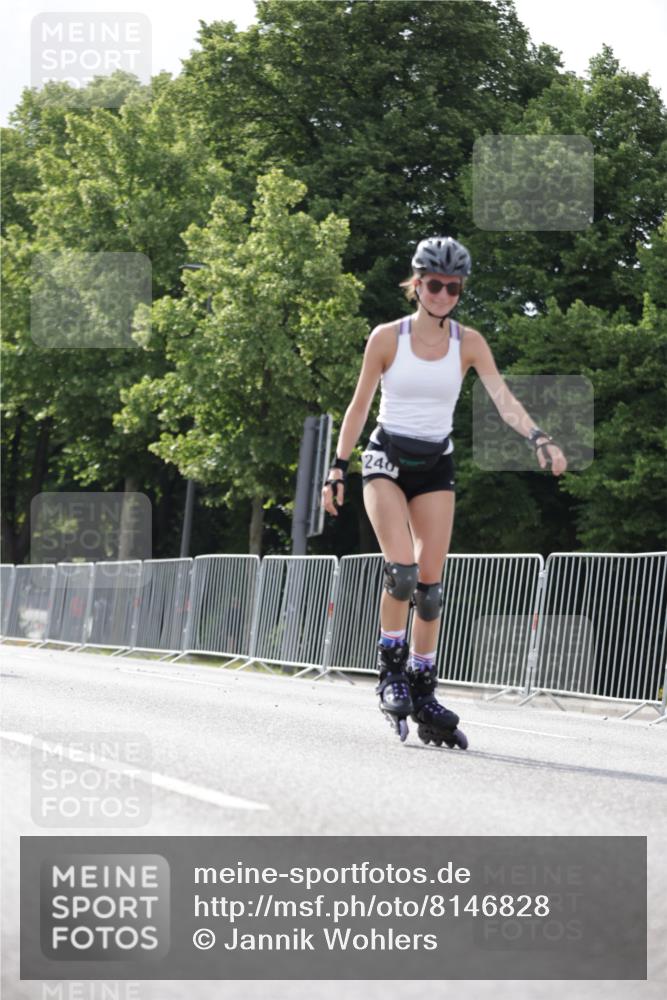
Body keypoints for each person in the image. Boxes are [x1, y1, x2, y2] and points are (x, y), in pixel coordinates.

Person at [321, 236, 567, 748]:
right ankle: (389, 671)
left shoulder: (468, 342)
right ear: (417, 284)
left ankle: (423, 686)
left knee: (430, 590)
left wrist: (538, 438)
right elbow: (359, 406)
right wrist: (338, 468)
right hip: (386, 457)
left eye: (453, 287)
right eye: (434, 284)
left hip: (435, 463)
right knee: (403, 573)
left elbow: (502, 398)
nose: (443, 294)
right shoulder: (387, 338)